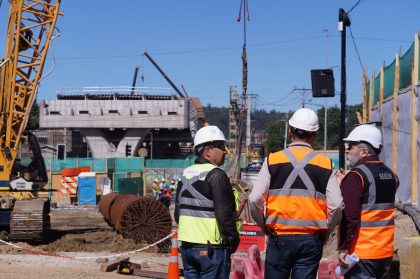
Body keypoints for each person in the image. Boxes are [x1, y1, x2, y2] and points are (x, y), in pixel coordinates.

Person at [249, 108, 343, 279]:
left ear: (290, 131)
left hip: (279, 238)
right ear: (314, 136)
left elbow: (254, 199)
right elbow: (336, 205)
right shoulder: (326, 164)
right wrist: (327, 231)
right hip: (310, 240)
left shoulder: (272, 160)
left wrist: (264, 226)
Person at [174, 125, 240, 279]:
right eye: (220, 147)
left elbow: (178, 214)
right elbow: (224, 214)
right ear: (207, 151)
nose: (224, 151)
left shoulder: (185, 174)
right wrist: (233, 238)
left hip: (187, 248)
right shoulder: (216, 175)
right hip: (212, 249)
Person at [337, 124, 399, 279]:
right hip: (385, 252)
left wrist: (343, 248)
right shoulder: (392, 175)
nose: (347, 150)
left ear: (364, 151)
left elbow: (349, 216)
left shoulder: (356, 176)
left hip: (362, 254)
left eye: (351, 146)